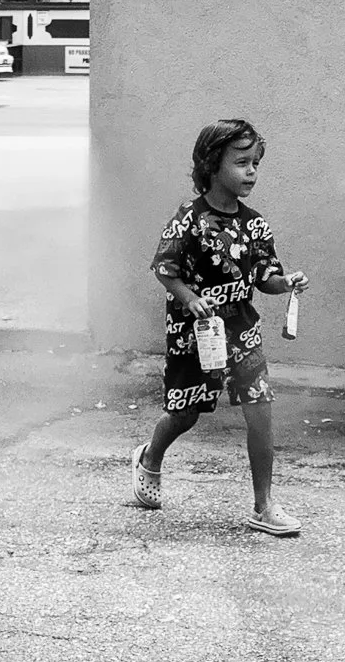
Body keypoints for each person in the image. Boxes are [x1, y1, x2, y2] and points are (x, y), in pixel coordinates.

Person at [131, 118, 308, 536]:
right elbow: (164, 267)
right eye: (242, 163)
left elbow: (265, 276)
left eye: (256, 164)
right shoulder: (188, 220)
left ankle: (264, 506)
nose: (252, 172)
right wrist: (189, 297)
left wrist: (286, 284)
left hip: (241, 330)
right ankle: (149, 457)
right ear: (212, 164)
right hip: (196, 334)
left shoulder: (255, 224)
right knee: (186, 413)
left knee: (260, 411)